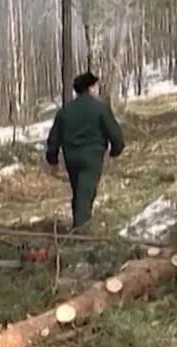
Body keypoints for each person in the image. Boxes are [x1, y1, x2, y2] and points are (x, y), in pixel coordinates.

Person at [45, 72, 125, 230]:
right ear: (90, 88)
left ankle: (79, 225)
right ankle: (81, 233)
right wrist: (115, 151)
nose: (97, 89)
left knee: (79, 191)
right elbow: (115, 134)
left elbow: (53, 138)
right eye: (95, 86)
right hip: (92, 157)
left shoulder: (65, 111)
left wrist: (52, 160)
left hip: (71, 157)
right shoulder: (100, 108)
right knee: (85, 194)